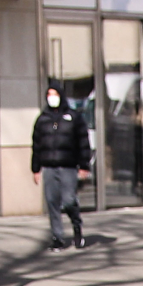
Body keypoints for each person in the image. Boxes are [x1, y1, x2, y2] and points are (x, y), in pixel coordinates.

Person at [31, 85, 92, 251]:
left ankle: (76, 226)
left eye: (55, 94)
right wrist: (36, 168)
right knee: (52, 202)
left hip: (68, 166)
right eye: (49, 94)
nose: (52, 97)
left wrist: (84, 165)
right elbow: (37, 145)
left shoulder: (74, 117)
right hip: (49, 167)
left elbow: (83, 143)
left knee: (69, 200)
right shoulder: (42, 119)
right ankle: (57, 237)